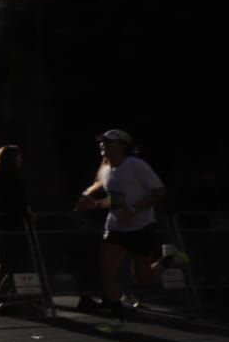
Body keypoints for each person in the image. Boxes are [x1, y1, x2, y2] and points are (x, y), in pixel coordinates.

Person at [75, 129, 187, 331]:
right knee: (107, 271)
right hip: (115, 227)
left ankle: (167, 259)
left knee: (144, 279)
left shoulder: (136, 165)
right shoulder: (106, 170)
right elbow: (116, 199)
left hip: (140, 227)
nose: (103, 145)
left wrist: (134, 211)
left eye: (109, 141)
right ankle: (117, 318)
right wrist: (96, 204)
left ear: (122, 145)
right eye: (102, 142)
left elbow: (159, 191)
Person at [0, 144, 35, 315]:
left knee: (6, 265)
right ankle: (3, 299)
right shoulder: (12, 178)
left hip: (2, 229)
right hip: (13, 228)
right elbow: (17, 203)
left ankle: (5, 299)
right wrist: (27, 215)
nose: (21, 160)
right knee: (14, 265)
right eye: (19, 157)